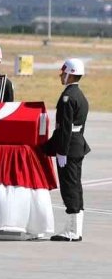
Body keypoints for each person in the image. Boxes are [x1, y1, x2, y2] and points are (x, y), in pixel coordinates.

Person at [44, 58, 90, 242]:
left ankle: (72, 231)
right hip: (77, 145)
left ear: (70, 74)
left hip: (68, 148)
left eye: (64, 73)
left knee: (69, 187)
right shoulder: (80, 96)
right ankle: (76, 229)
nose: (61, 76)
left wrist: (61, 151)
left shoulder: (67, 98)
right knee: (76, 187)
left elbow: (65, 128)